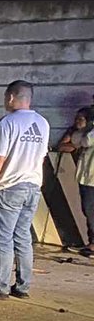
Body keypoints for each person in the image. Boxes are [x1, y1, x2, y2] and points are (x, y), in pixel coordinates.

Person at [0, 80, 50, 299]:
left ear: (10, 97)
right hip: (33, 187)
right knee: (23, 237)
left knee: (3, 239)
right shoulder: (43, 123)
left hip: (9, 188)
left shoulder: (7, 123)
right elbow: (42, 156)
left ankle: (0, 288)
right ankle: (23, 287)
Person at [57, 105, 94, 255]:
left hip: (91, 178)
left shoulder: (89, 133)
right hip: (86, 177)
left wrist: (80, 134)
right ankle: (91, 243)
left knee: (91, 211)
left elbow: (83, 141)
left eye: (80, 119)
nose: (76, 122)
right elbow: (67, 144)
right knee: (88, 210)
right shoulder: (82, 132)